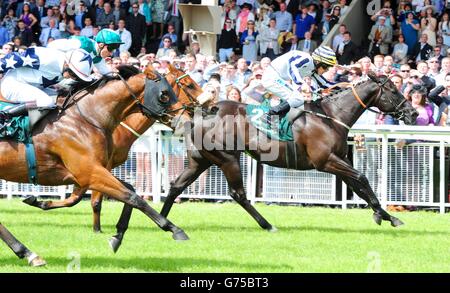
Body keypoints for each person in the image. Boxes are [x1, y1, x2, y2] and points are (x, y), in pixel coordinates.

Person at [0, 47, 94, 130]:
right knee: (46, 102)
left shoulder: (65, 66)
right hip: (12, 83)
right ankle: (4, 115)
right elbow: (15, 57)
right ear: (66, 64)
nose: (73, 78)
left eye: (76, 77)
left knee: (60, 98)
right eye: (73, 74)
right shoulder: (48, 59)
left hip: (29, 85)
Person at [262, 46, 337, 116]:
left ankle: (275, 117)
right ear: (317, 62)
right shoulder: (307, 59)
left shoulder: (313, 68)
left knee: (300, 99)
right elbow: (293, 66)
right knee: (299, 98)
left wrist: (345, 87)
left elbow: (325, 84)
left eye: (329, 67)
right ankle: (268, 115)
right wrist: (302, 83)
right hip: (272, 76)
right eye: (325, 66)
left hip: (277, 78)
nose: (327, 70)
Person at [47, 28, 123, 75]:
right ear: (101, 45)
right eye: (110, 49)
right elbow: (52, 45)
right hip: (49, 69)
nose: (111, 53)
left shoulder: (98, 57)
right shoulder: (82, 43)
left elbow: (105, 72)